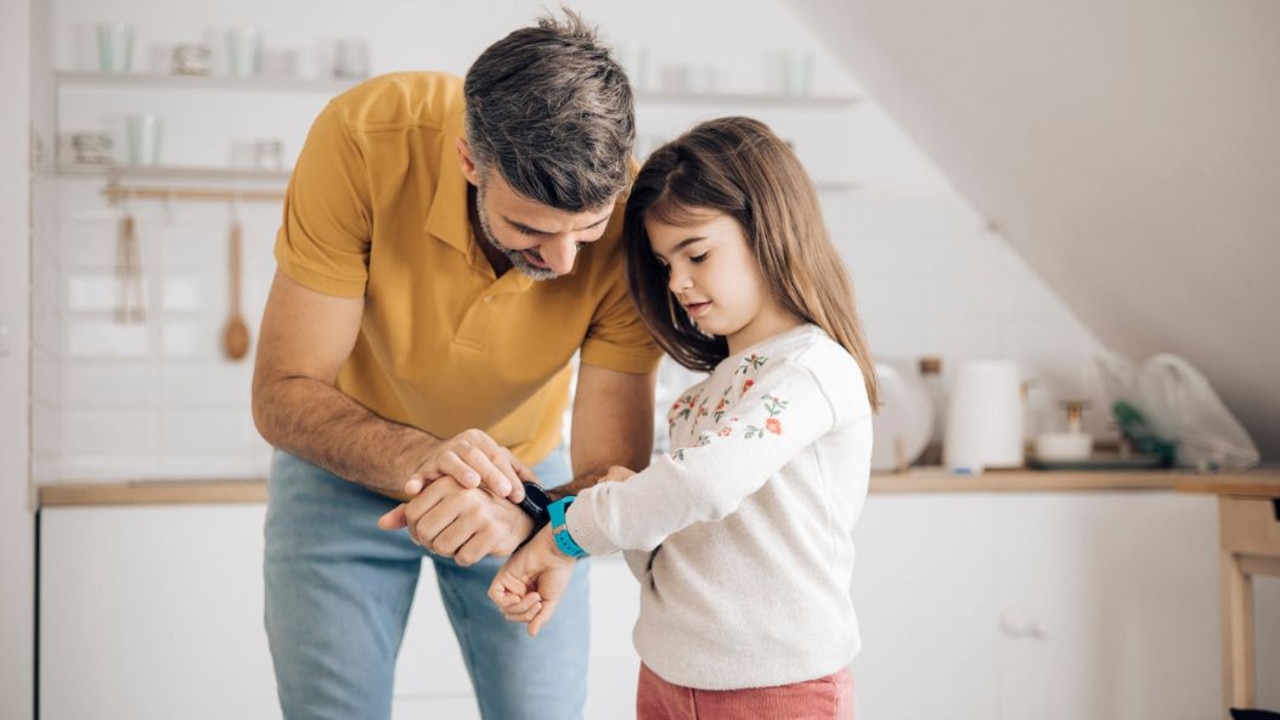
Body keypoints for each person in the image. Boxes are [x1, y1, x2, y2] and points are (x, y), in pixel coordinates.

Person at [251, 11, 662, 720]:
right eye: (531, 228)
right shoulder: (363, 136)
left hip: (527, 481)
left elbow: (613, 470)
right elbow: (284, 393)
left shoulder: (635, 221)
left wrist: (528, 520)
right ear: (471, 160)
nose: (566, 261)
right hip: (338, 473)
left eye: (586, 229)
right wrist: (433, 459)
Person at [487, 116, 881, 720]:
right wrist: (606, 512)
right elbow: (673, 548)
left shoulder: (809, 370)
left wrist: (567, 538)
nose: (678, 283)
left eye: (695, 253)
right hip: (669, 679)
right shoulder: (700, 400)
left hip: (779, 691)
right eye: (665, 263)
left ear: (768, 228)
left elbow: (703, 483)